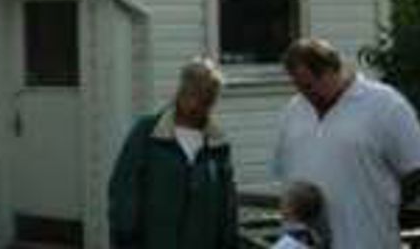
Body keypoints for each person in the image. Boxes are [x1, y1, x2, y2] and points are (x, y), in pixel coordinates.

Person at [272, 38, 420, 248]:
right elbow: (286, 175)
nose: (304, 94)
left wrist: (381, 204)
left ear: (332, 70)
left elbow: (414, 171)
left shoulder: (386, 105)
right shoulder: (293, 111)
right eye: (297, 86)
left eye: (309, 85)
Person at [108, 58, 240, 249]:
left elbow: (228, 205)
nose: (198, 106)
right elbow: (123, 189)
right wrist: (125, 236)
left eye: (207, 100)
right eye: (194, 95)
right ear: (181, 92)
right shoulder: (146, 133)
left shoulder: (218, 144)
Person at [272, 180, 327, 249]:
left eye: (282, 206)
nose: (280, 211)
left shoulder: (289, 244)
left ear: (290, 211)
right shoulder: (314, 238)